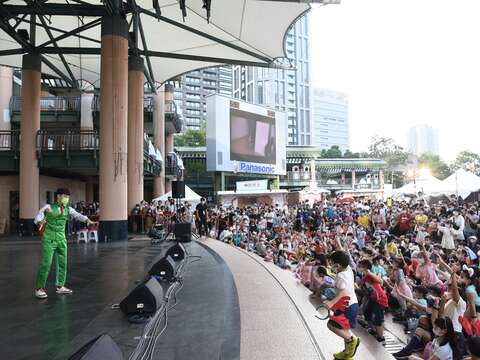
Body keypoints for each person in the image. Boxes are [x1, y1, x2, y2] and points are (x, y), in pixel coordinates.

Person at [34, 188, 93, 299]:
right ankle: (39, 288)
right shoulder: (48, 207)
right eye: (65, 196)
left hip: (61, 239)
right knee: (46, 264)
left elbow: (77, 215)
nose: (66, 198)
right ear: (58, 196)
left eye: (67, 196)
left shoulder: (68, 209)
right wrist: (40, 221)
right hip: (49, 239)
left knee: (63, 263)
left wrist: (86, 220)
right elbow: (37, 218)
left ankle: (60, 286)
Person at [324, 250, 360, 359]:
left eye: (333, 263)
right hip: (353, 304)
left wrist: (331, 302)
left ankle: (352, 340)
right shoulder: (348, 268)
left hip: (346, 306)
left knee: (331, 325)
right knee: (344, 329)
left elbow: (343, 292)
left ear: (338, 264)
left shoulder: (340, 276)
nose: (332, 265)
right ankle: (347, 354)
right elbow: (344, 255)